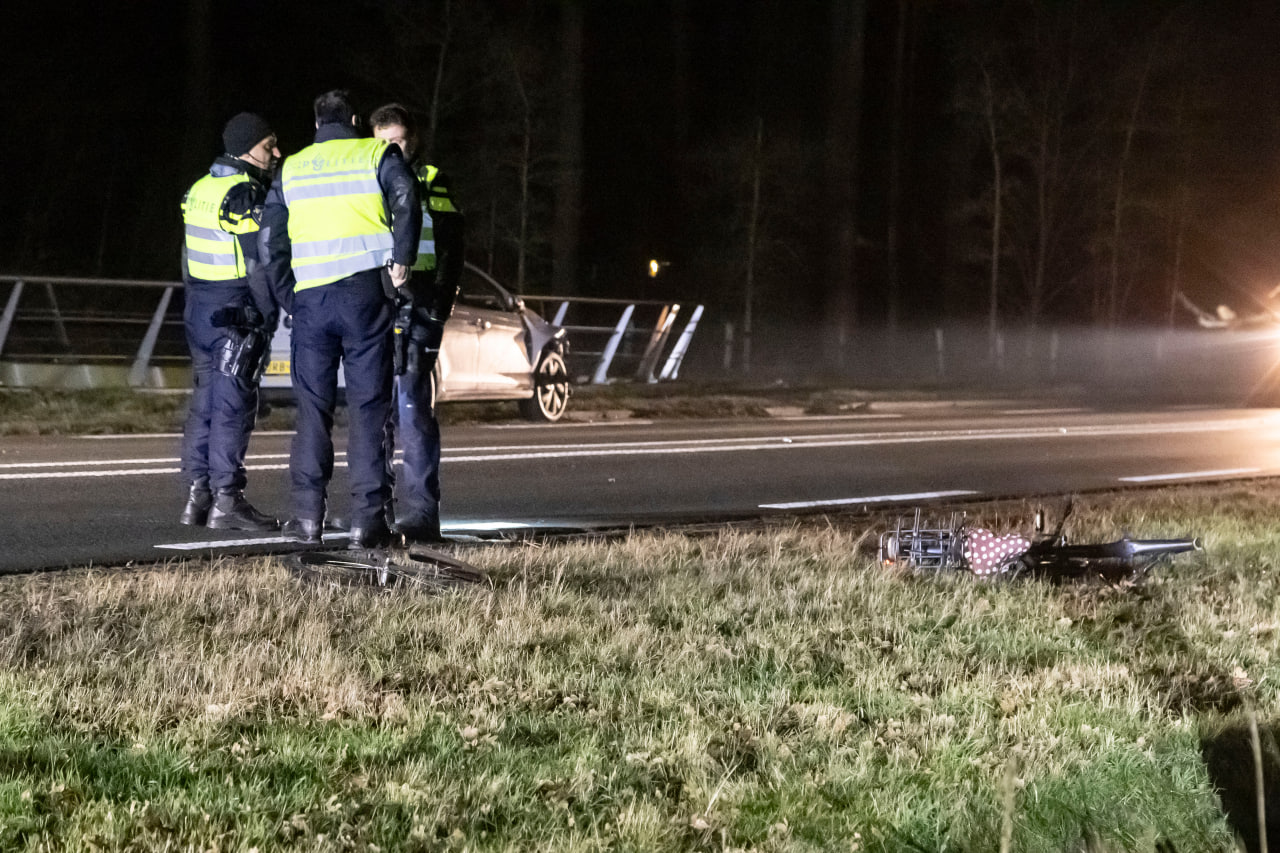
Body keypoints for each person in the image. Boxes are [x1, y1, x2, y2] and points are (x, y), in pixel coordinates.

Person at [259, 90, 421, 548]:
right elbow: (406, 194)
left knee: (313, 410)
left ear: (315, 124)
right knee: (368, 410)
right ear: (353, 118)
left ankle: (308, 517)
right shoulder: (374, 152)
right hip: (365, 295)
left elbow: (269, 239)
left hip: (311, 300)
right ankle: (366, 521)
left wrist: (288, 293)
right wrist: (402, 259)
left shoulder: (291, 167)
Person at [178, 112, 281, 531]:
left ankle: (197, 497)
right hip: (235, 309)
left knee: (204, 403)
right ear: (245, 148)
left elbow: (186, 256)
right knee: (233, 405)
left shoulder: (198, 188)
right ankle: (227, 500)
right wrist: (268, 312)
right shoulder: (244, 194)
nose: (276, 154)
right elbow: (258, 262)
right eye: (268, 146)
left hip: (199, 306)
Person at [369, 103, 465, 543]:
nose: (393, 149)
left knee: (411, 406)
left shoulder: (430, 180)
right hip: (377, 307)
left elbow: (451, 247)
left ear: (413, 141)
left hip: (420, 302)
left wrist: (438, 307)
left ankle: (424, 512)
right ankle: (377, 509)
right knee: (376, 410)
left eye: (400, 141)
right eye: (384, 141)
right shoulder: (365, 180)